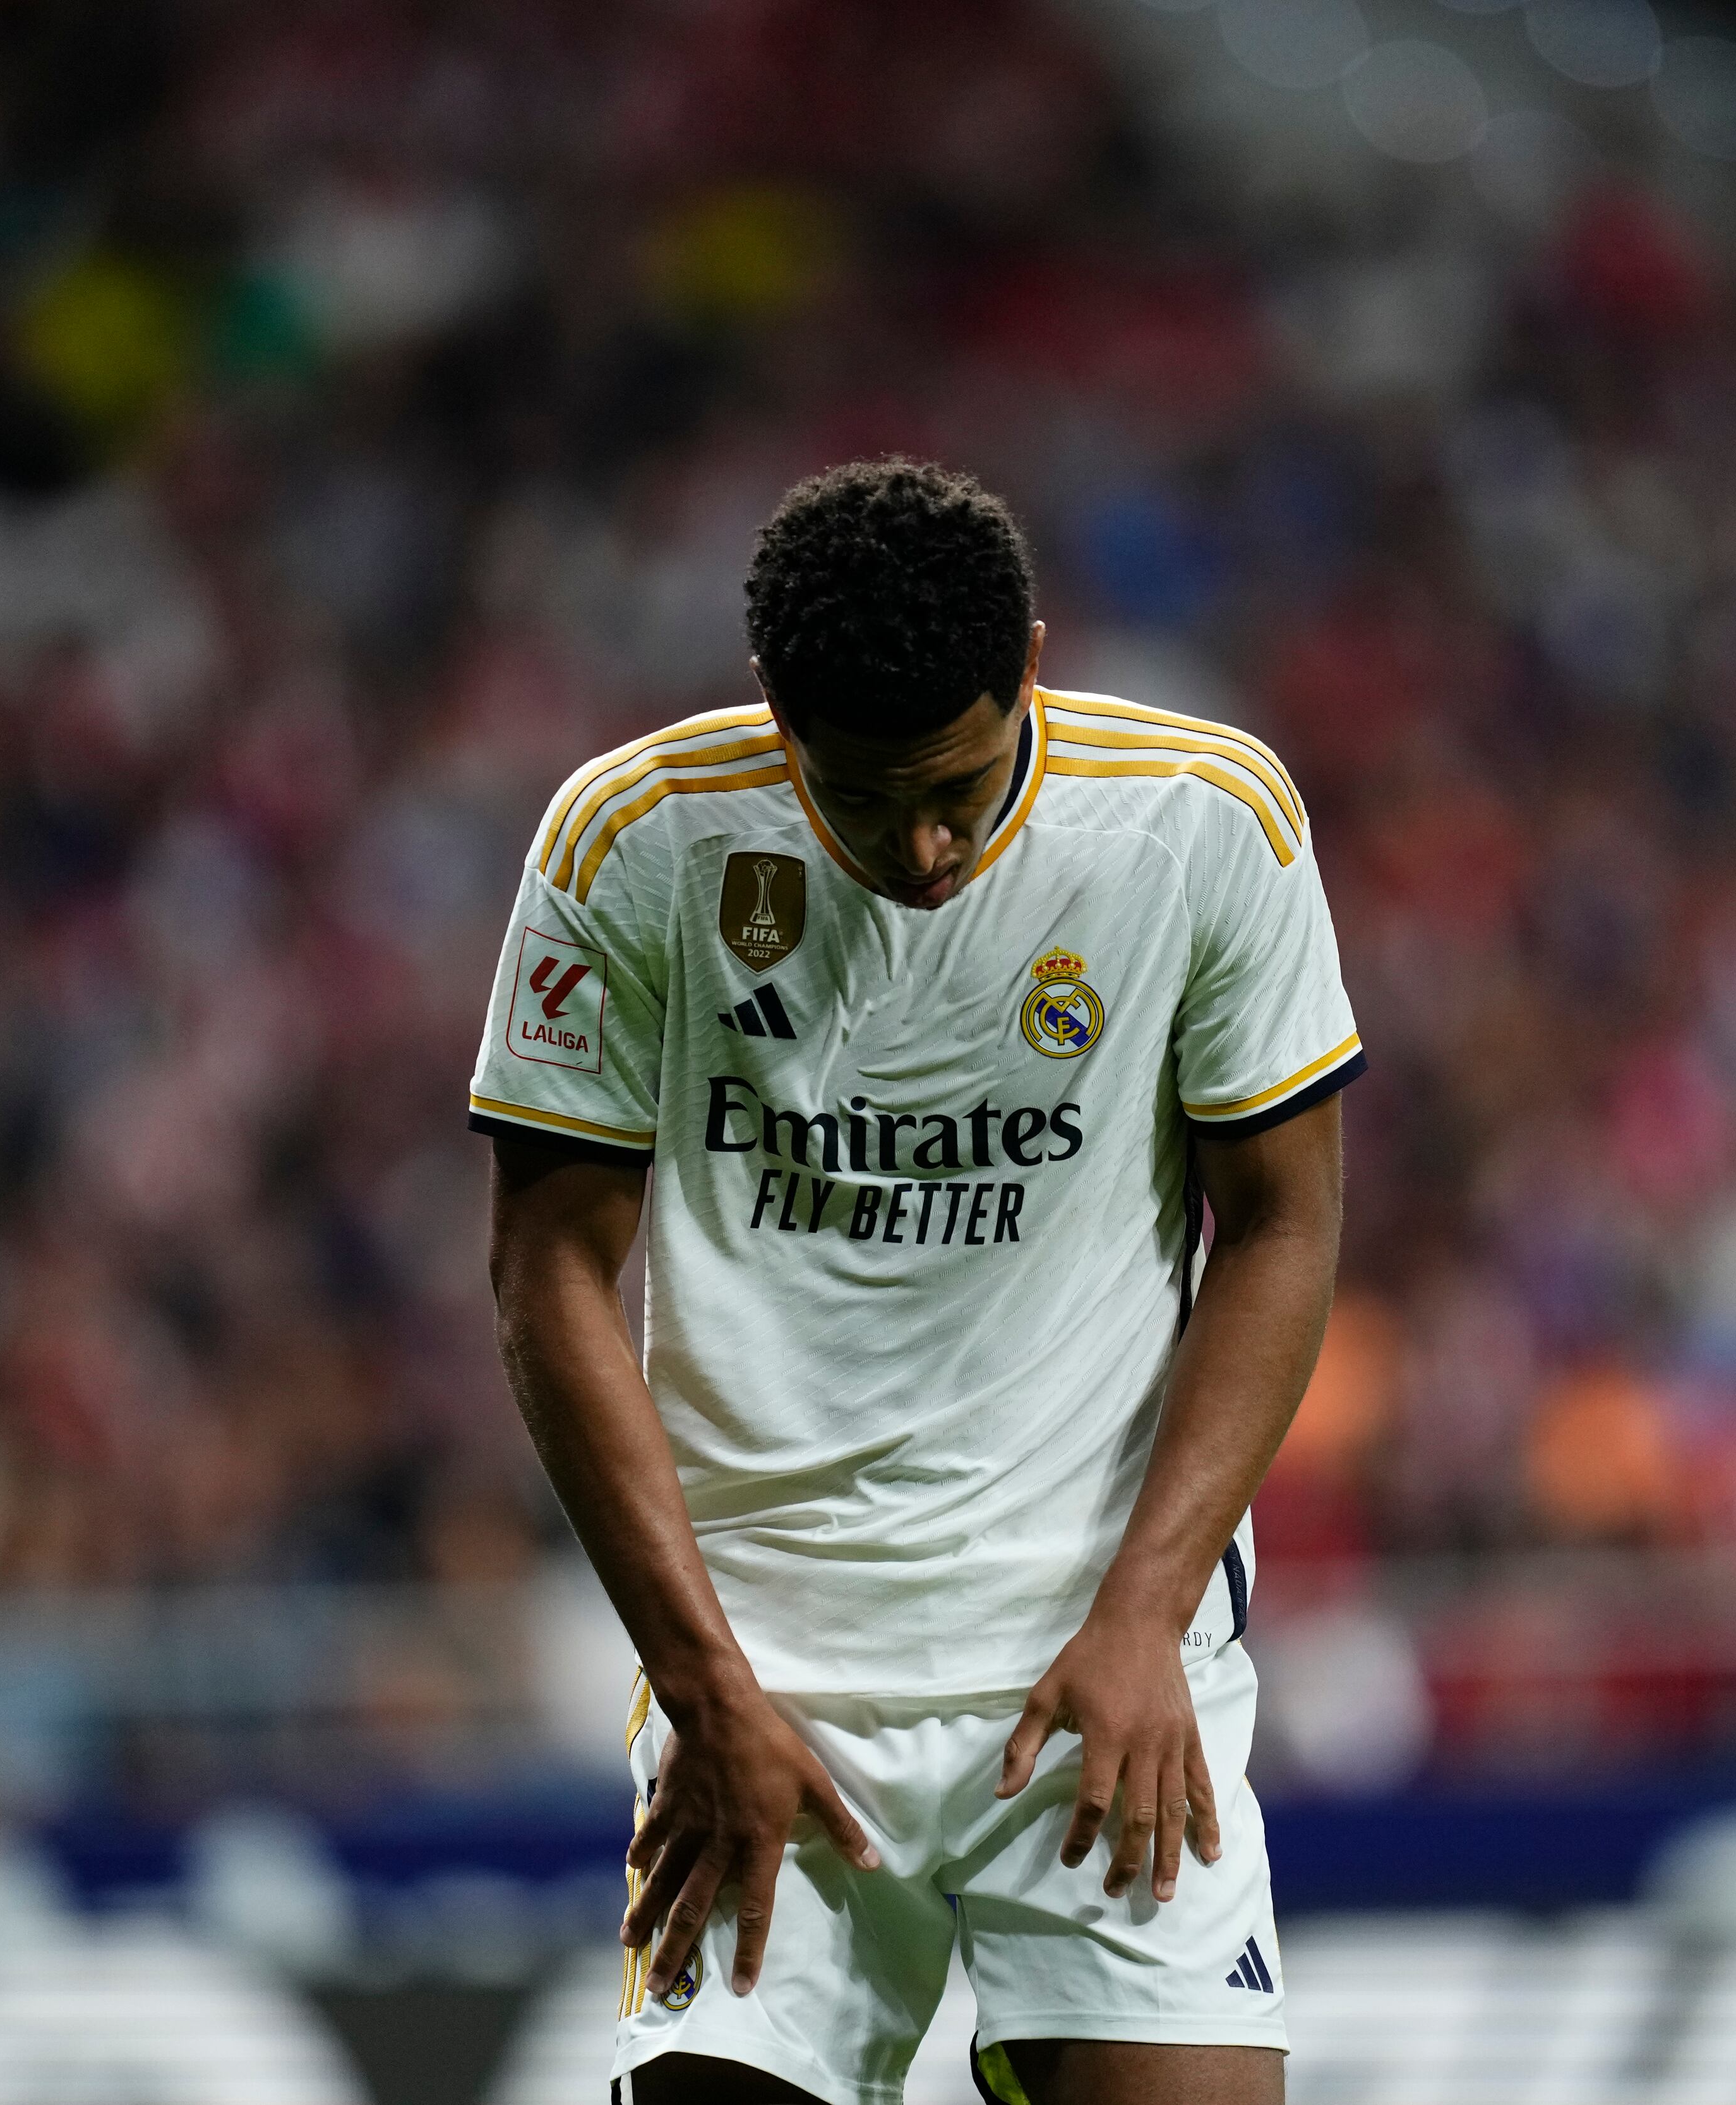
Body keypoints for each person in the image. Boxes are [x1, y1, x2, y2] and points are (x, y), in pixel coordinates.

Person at [473, 459, 1360, 2105]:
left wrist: (1151, 1612)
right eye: (868, 801)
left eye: (959, 783)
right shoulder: (636, 843)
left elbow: (1287, 1223)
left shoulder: (1201, 820)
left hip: (1099, 1674)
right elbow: (550, 1269)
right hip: (768, 1697)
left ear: (1031, 660)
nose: (930, 844)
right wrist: (699, 1685)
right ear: (779, 715)